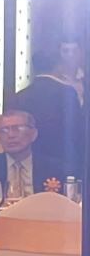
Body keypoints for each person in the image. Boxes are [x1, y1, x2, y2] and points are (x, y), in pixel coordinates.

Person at [13, 35, 84, 172]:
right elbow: (77, 129)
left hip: (31, 155)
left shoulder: (21, 95)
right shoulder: (67, 92)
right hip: (63, 155)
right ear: (57, 66)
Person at [0, 110, 71, 199]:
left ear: (33, 134)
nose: (10, 135)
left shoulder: (56, 168)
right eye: (4, 130)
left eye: (17, 129)